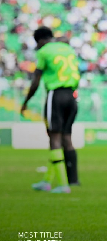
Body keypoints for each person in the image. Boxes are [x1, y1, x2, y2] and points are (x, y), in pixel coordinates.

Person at [21, 27, 81, 193]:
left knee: (54, 138)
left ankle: (63, 185)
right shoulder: (67, 48)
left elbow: (36, 81)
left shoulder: (44, 51)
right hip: (72, 95)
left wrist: (25, 102)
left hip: (56, 94)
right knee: (66, 138)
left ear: (39, 41)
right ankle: (55, 180)